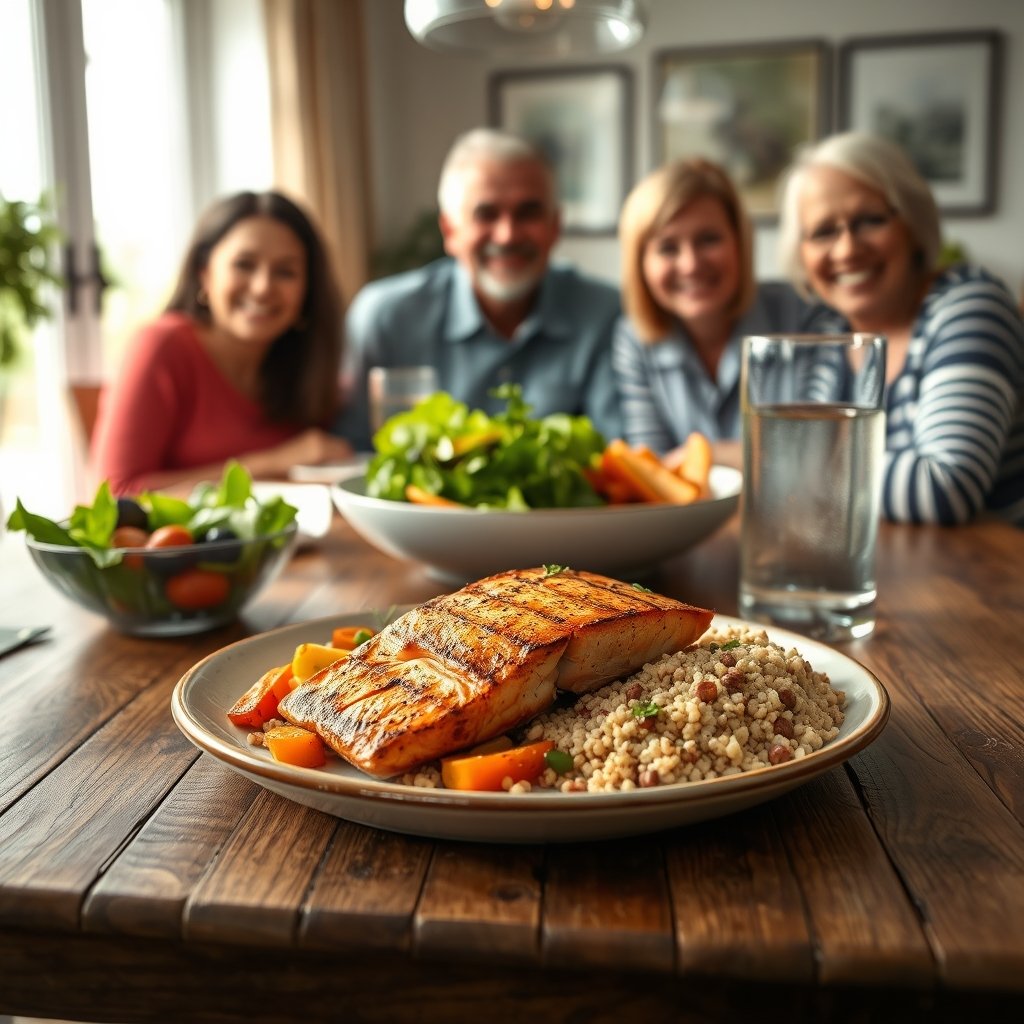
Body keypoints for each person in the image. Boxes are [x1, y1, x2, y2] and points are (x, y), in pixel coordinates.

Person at [778, 131, 1024, 526]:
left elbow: (945, 488)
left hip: (994, 575)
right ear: (801, 253)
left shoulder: (972, 306)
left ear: (913, 223)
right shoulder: (830, 333)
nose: (846, 250)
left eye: (870, 220)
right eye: (824, 231)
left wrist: (778, 459)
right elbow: (804, 465)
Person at [333, 128, 622, 450]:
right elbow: (353, 453)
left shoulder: (605, 312)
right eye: (486, 214)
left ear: (556, 226)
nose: (507, 235)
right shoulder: (385, 317)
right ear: (450, 230)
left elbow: (617, 454)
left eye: (528, 213)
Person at [92, 190, 354, 495]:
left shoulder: (308, 367)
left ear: (308, 291)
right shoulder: (161, 347)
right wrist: (270, 462)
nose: (262, 287)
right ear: (205, 274)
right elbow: (115, 495)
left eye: (286, 272)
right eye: (244, 264)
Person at [613, 157, 815, 467]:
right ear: (640, 263)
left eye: (709, 239)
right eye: (668, 247)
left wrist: (710, 454)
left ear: (739, 242)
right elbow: (653, 468)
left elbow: (816, 453)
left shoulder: (800, 313)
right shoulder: (633, 338)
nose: (691, 265)